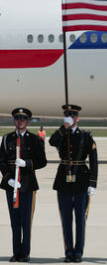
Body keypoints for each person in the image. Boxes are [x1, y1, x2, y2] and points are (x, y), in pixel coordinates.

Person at [48, 104, 98, 263]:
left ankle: (78, 252)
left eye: (72, 116)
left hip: (82, 181)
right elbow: (51, 141)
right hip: (63, 181)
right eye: (67, 116)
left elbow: (94, 161)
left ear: (77, 118)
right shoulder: (62, 134)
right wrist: (64, 127)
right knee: (66, 219)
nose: (70, 118)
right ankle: (68, 251)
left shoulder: (86, 136)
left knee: (80, 220)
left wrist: (93, 183)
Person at [0, 108, 47, 263]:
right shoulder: (7, 139)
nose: (20, 121)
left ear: (27, 121)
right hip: (12, 185)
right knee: (15, 221)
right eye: (17, 119)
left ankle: (25, 252)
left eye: (23, 119)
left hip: (27, 185)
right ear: (14, 121)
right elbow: (1, 161)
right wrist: (8, 179)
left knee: (26, 221)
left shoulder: (34, 140)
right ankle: (16, 252)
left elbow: (42, 161)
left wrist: (26, 163)